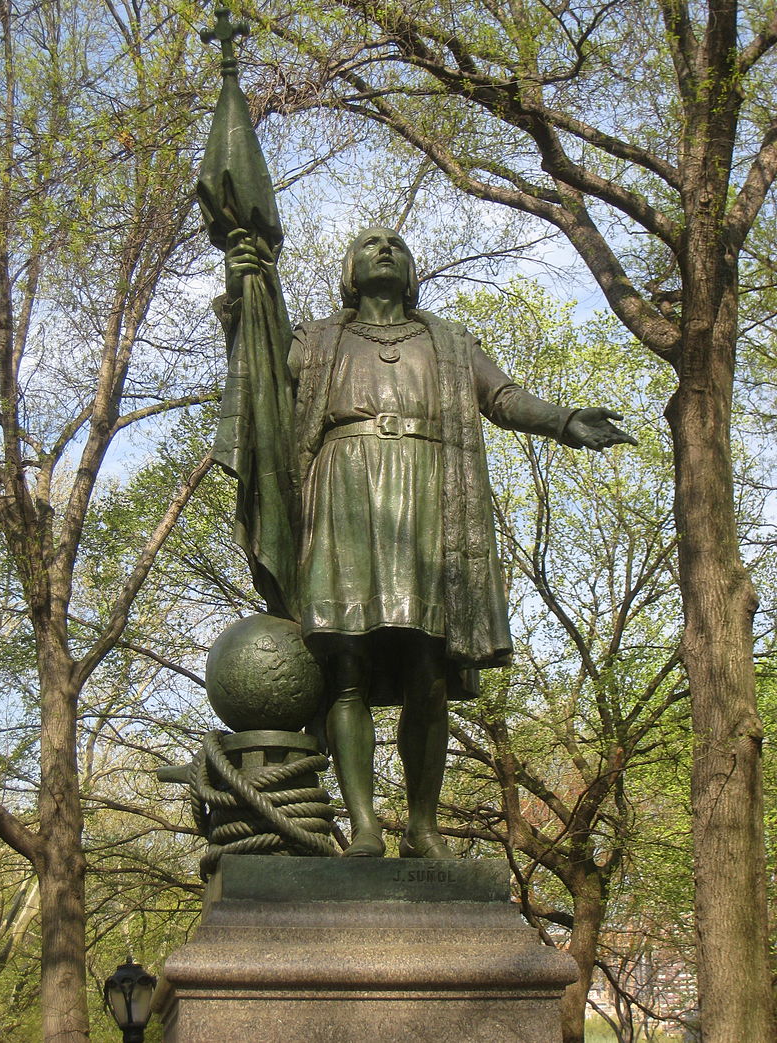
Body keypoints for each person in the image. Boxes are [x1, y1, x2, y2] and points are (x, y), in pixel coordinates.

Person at [224, 225, 635, 859]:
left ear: (412, 271)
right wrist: (245, 288)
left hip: (429, 491)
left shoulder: (448, 340)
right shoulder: (319, 338)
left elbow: (502, 397)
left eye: (397, 243)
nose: (385, 248)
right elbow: (263, 373)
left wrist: (563, 420)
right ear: (350, 272)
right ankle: (365, 827)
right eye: (369, 244)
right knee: (347, 666)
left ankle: (423, 827)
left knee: (428, 667)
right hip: (342, 486)